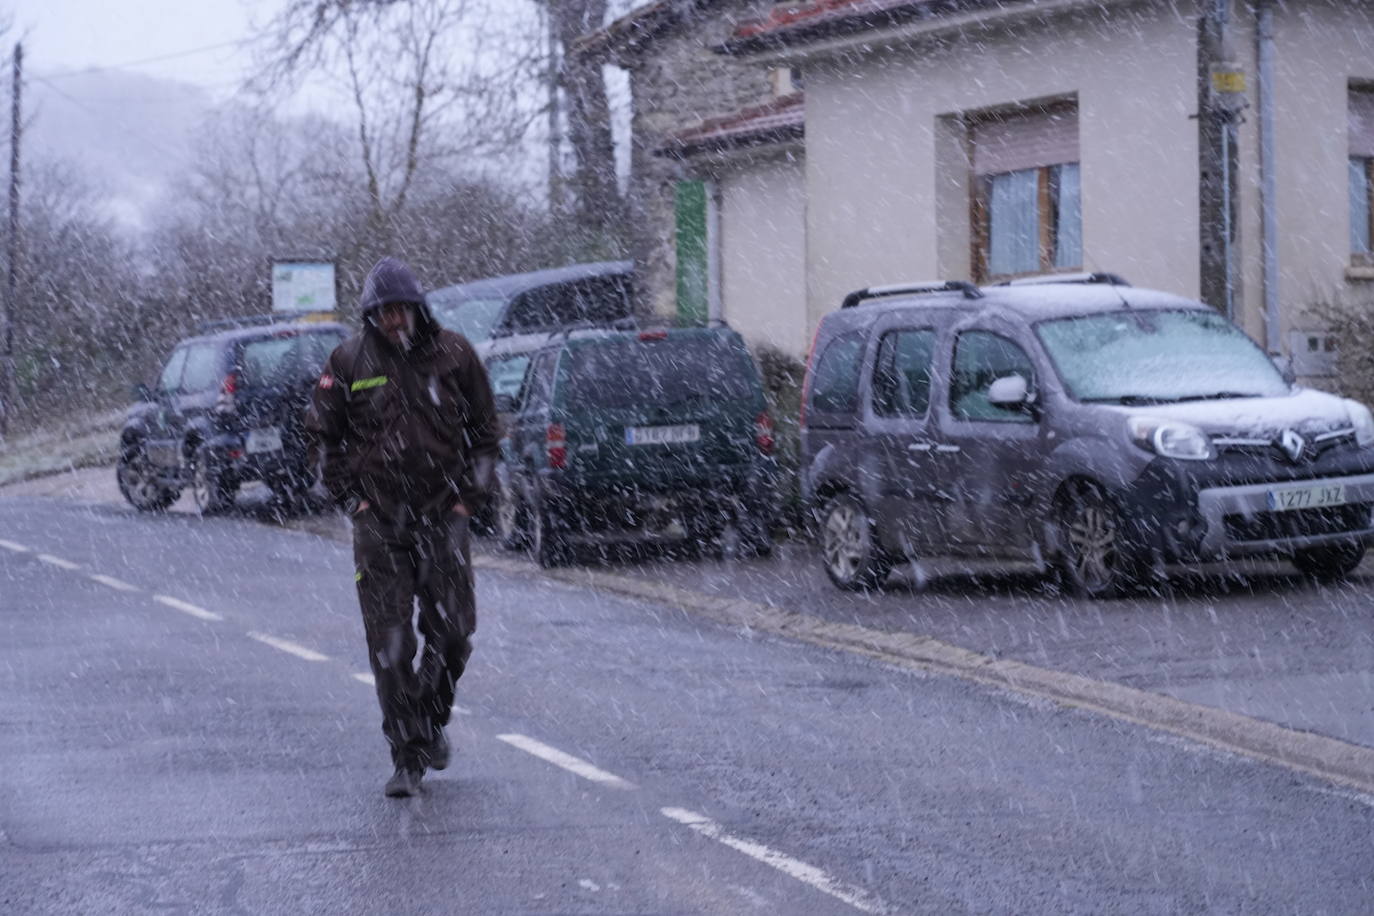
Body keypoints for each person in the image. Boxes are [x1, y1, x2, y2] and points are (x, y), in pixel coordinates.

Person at [308, 256, 499, 798]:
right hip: (380, 526)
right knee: (390, 644)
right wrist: (354, 502)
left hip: (445, 517)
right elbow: (322, 439)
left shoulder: (455, 355)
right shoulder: (348, 361)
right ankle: (407, 757)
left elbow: (486, 432)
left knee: (455, 633)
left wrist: (468, 502)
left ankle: (432, 719)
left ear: (419, 308)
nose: (396, 319)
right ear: (371, 315)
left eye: (403, 309)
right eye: (385, 312)